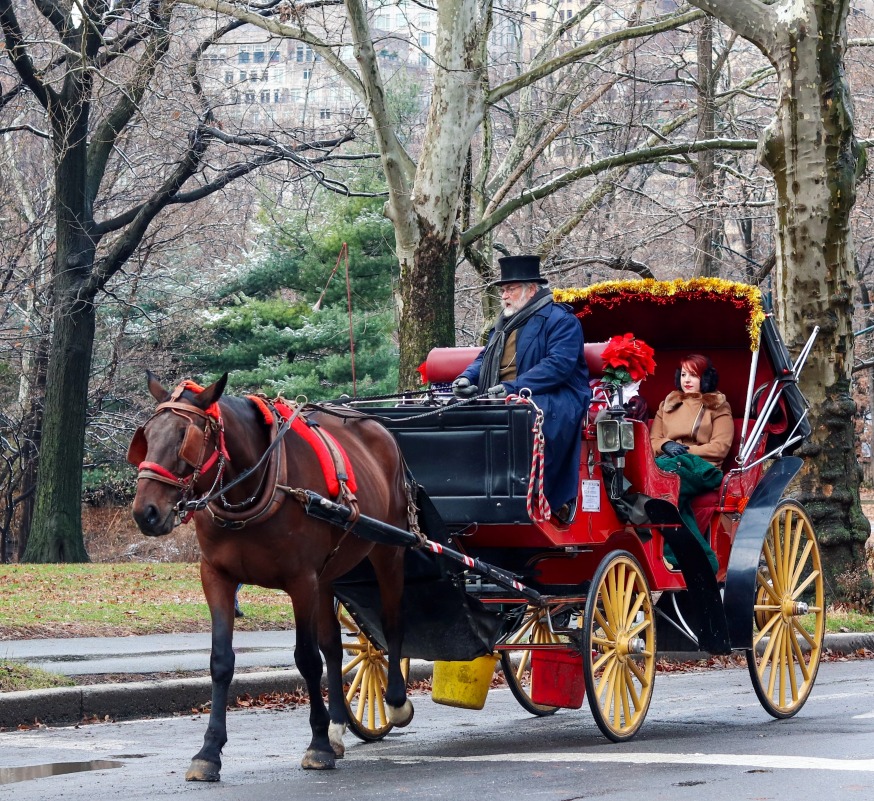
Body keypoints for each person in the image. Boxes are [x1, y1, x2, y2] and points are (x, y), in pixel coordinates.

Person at [452, 255, 591, 523]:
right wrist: (466, 379)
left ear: (532, 289)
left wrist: (513, 388)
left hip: (555, 394)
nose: (504, 296)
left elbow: (558, 366)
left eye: (510, 289)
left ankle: (546, 498)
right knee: (452, 415)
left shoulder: (561, 320)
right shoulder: (503, 325)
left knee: (528, 416)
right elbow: (484, 358)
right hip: (503, 393)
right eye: (503, 290)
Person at [650, 354, 733, 572]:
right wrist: (667, 445)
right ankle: (701, 558)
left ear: (705, 378)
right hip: (667, 462)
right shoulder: (666, 405)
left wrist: (686, 451)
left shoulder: (718, 405)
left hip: (702, 468)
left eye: (694, 375)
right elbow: (653, 440)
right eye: (684, 374)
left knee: (665, 479)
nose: (687, 380)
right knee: (667, 489)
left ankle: (675, 554)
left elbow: (720, 447)